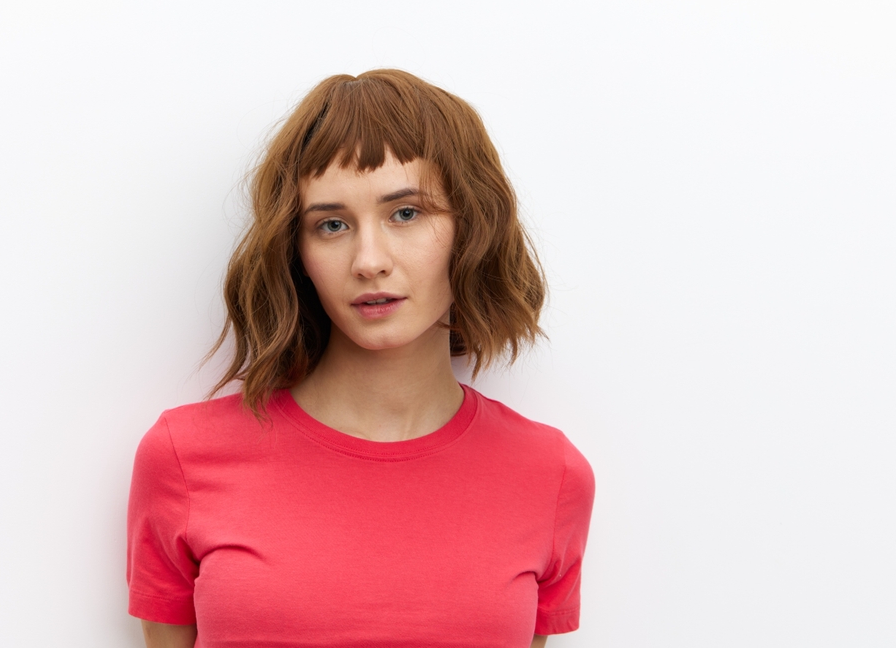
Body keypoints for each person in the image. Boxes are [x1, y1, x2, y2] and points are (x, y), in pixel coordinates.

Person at [126, 69, 595, 648]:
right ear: (297, 253)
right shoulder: (183, 461)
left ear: (472, 229)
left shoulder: (550, 476)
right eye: (331, 225)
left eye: (405, 213)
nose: (369, 260)